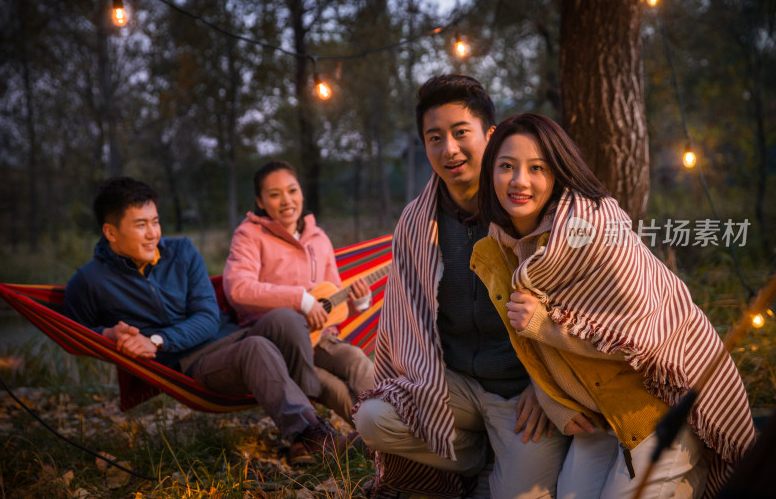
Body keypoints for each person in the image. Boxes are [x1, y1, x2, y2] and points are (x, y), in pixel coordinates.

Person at [471, 113, 756, 498]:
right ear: (491, 173)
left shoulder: (596, 231)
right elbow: (534, 352)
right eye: (507, 166)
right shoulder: (500, 249)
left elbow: (645, 336)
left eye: (536, 168)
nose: (519, 181)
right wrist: (555, 404)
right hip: (603, 415)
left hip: (663, 403)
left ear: (557, 175)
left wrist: (544, 324)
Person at [352, 75, 568, 499]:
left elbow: (572, 302)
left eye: (460, 133)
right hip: (452, 386)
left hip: (520, 393)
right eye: (435, 137)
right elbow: (405, 319)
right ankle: (475, 456)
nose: (448, 149)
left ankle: (500, 464)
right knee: (373, 419)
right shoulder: (416, 222)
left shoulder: (525, 205)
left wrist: (545, 385)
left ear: (490, 135)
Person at [63, 176, 352, 465]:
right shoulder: (90, 282)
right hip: (190, 365)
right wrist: (108, 335)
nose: (153, 234)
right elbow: (72, 333)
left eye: (155, 221)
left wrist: (156, 340)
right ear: (110, 232)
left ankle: (307, 433)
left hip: (230, 335)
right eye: (141, 225)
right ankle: (314, 436)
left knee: (288, 318)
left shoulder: (181, 253)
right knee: (257, 348)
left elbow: (207, 317)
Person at [223, 160, 375, 427]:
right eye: (274, 194)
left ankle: (401, 426)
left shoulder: (319, 239)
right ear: (260, 201)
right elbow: (238, 289)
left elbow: (332, 306)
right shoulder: (249, 235)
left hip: (321, 338)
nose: (286, 201)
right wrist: (301, 300)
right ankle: (385, 440)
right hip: (278, 342)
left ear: (302, 193)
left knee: (358, 362)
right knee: (331, 387)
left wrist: (359, 303)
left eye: (292, 191)